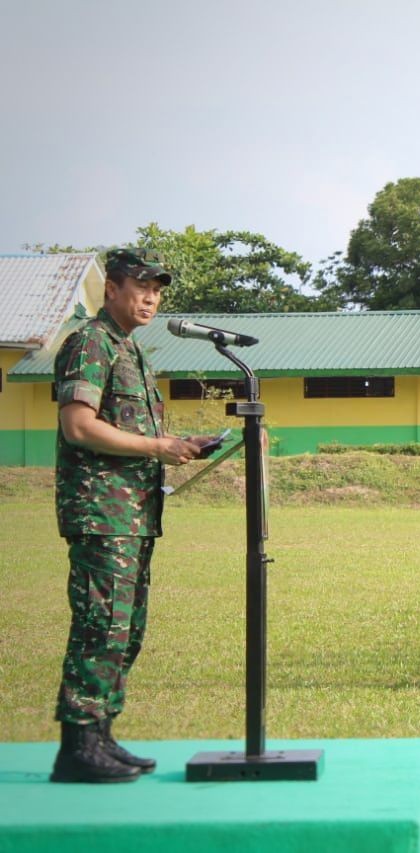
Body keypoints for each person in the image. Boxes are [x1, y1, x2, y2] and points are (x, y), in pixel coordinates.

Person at [50, 248, 204, 783]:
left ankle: (101, 734)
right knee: (101, 624)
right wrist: (159, 446)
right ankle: (77, 745)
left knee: (125, 627)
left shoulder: (131, 351)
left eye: (158, 289)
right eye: (141, 286)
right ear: (110, 289)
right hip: (101, 511)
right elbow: (79, 426)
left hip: (132, 513)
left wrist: (179, 445)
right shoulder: (90, 343)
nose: (151, 297)